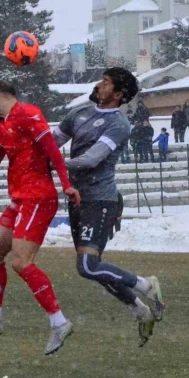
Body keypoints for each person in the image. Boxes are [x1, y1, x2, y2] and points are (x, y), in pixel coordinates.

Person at [0, 81, 81, 355]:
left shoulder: (28, 113)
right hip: (20, 199)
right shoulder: (6, 124)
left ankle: (59, 322)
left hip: (38, 198)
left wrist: (66, 184)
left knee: (22, 263)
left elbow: (52, 150)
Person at [52, 67, 165, 346]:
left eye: (105, 83)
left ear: (117, 94)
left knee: (88, 267)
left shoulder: (118, 124)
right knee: (93, 268)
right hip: (77, 199)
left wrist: (54, 162)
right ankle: (140, 310)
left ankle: (146, 285)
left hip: (101, 201)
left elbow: (92, 159)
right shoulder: (78, 114)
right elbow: (50, 143)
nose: (99, 85)